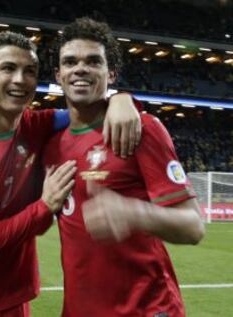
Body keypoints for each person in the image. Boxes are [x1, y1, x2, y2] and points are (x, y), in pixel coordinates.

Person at [0, 31, 141, 317]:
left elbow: (89, 110)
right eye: (8, 68)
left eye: (30, 71)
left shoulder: (37, 127)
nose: (20, 80)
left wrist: (122, 98)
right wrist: (44, 207)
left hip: (15, 302)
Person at [43, 17, 205, 317]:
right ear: (59, 74)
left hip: (146, 309)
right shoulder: (51, 146)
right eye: (70, 62)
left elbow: (194, 227)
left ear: (111, 74)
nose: (80, 68)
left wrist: (135, 213)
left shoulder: (141, 129)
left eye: (94, 61)